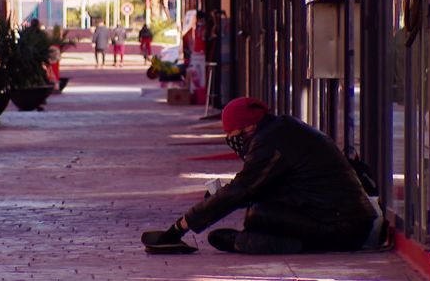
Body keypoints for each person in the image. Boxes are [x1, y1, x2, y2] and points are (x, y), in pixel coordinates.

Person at [151, 97, 379, 254]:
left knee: (259, 214)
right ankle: (263, 241)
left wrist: (179, 228)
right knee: (259, 207)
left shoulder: (271, 142)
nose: (230, 138)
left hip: (344, 227)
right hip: (343, 219)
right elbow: (257, 186)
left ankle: (273, 243)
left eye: (232, 133)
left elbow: (241, 189)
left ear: (248, 128)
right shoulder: (281, 129)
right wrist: (218, 198)